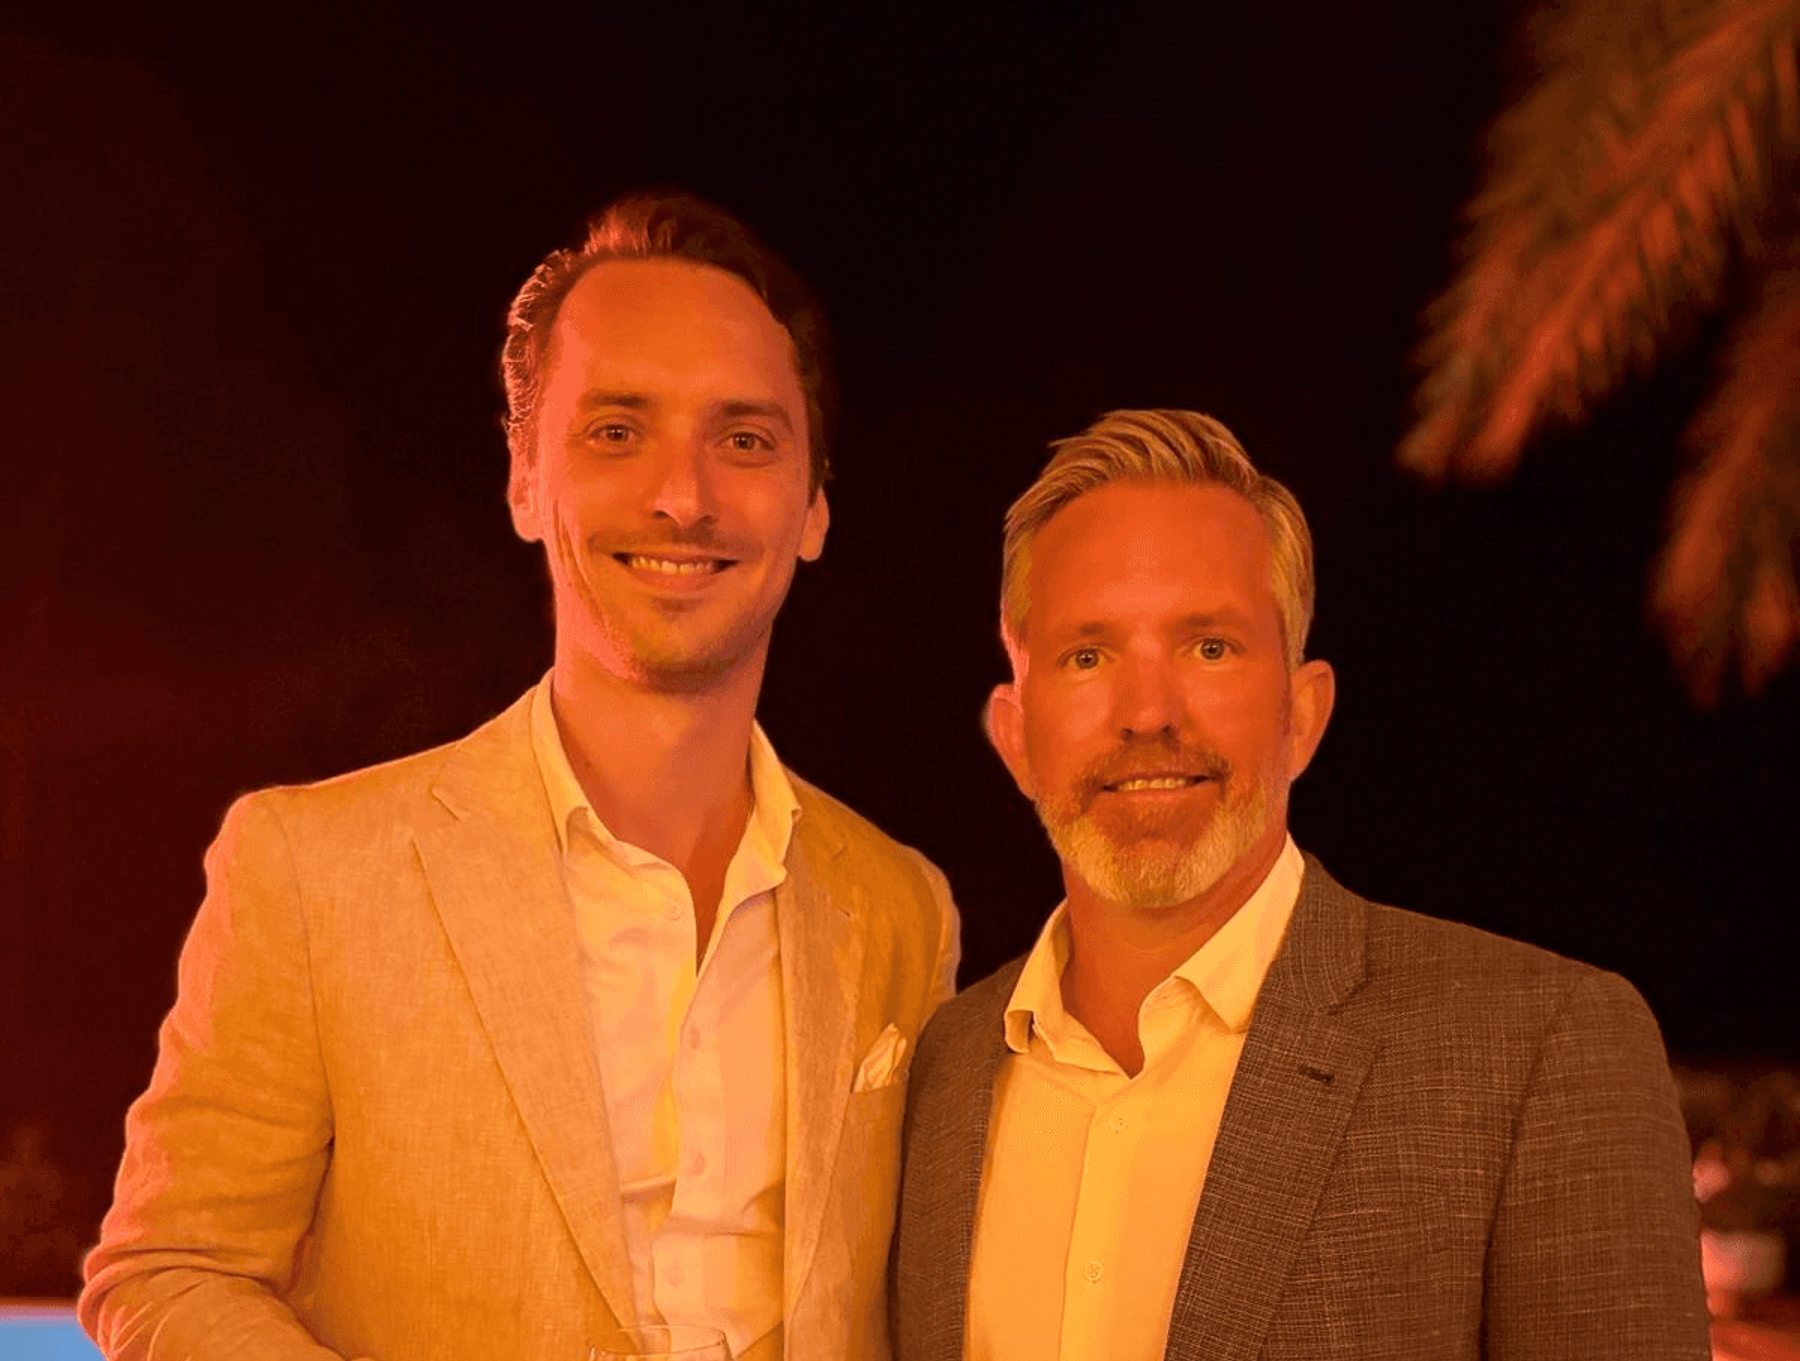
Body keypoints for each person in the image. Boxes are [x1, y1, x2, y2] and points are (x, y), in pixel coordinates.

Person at [81, 191, 960, 1361]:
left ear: (814, 506)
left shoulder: (902, 908)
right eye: (617, 431)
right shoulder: (311, 870)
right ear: (524, 481)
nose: (683, 496)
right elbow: (171, 1271)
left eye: (745, 438)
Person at [888, 409, 1709, 1360]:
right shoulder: (939, 1074)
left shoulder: (1539, 1052)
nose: (1147, 712)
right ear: (1016, 737)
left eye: (1208, 646)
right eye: (1088, 655)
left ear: (1303, 715)